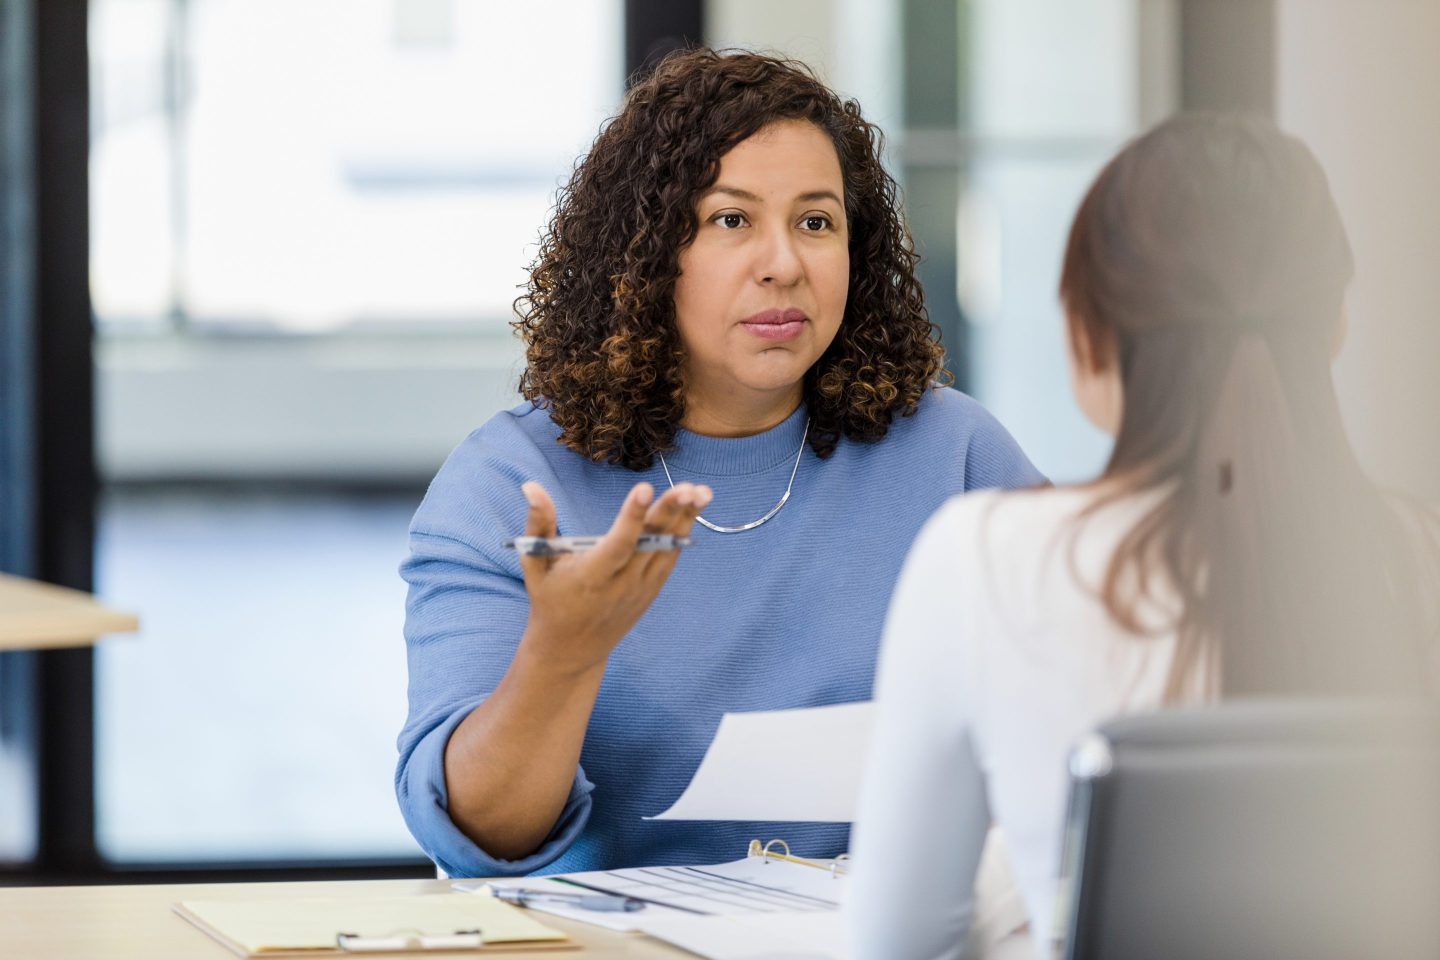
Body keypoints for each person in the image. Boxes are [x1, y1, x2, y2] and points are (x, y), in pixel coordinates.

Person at [395, 48, 1043, 879]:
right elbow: (484, 835)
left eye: (817, 221)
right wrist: (564, 653)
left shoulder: (955, 454)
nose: (784, 263)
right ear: (646, 253)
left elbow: (1086, 712)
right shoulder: (510, 486)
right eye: (731, 220)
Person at [848, 113, 1440, 958]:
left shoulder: (986, 561)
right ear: (1335, 327)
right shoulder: (1418, 560)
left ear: (1088, 341)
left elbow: (896, 942)